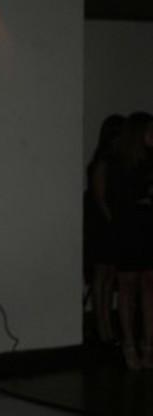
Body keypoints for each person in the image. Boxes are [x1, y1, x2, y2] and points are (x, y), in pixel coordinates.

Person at [107, 112, 153, 370]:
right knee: (127, 287)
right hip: (128, 230)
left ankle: (149, 344)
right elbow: (117, 199)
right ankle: (129, 344)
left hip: (148, 229)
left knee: (149, 285)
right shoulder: (119, 163)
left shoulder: (151, 161)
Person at [83, 114, 124, 344]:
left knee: (110, 276)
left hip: (111, 225)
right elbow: (100, 198)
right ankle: (101, 324)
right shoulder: (102, 162)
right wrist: (114, 224)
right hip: (102, 226)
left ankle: (107, 324)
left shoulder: (117, 162)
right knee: (101, 275)